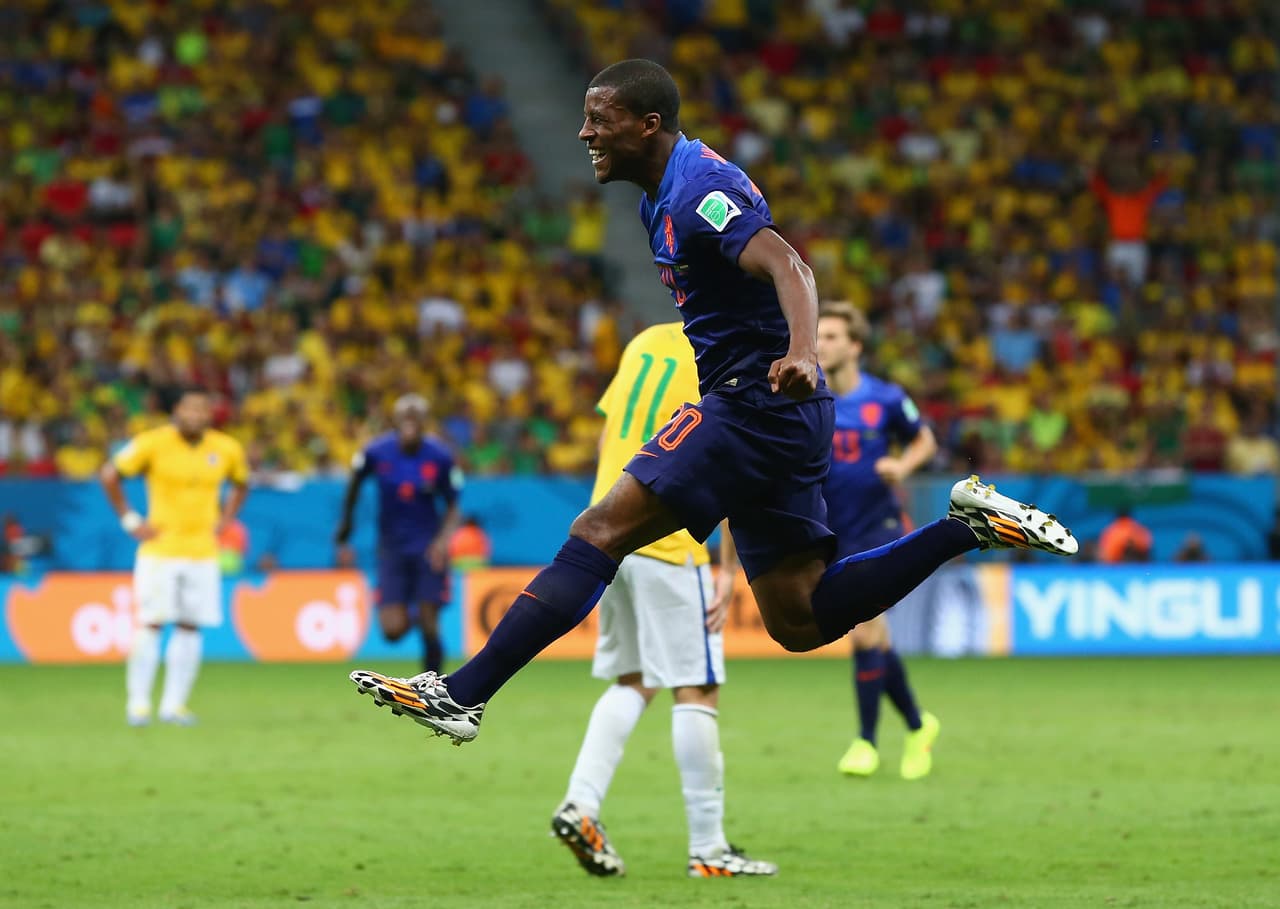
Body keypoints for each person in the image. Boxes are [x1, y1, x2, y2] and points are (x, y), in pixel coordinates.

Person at [349, 59, 1076, 752]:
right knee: (799, 617)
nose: (584, 134)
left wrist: (802, 350)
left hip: (753, 402)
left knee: (599, 528)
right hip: (778, 415)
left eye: (599, 119)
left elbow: (789, 263)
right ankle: (964, 527)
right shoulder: (654, 202)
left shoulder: (699, 189)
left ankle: (465, 693)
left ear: (647, 122)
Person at [550, 322, 775, 879]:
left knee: (634, 679)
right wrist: (725, 565)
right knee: (696, 687)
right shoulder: (728, 350)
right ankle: (709, 850)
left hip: (608, 531)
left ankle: (580, 804)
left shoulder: (647, 340)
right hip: (669, 540)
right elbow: (719, 457)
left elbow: (609, 440)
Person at [816, 302, 941, 780]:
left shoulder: (886, 399)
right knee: (875, 636)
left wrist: (902, 467)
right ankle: (917, 723)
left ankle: (865, 743)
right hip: (832, 528)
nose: (822, 344)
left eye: (831, 336)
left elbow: (924, 439)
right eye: (819, 336)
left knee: (865, 629)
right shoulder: (811, 396)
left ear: (855, 346)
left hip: (879, 525)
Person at [101, 388, 249, 726]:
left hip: (202, 551)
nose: (195, 416)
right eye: (189, 409)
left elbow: (242, 482)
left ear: (210, 415)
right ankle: (138, 704)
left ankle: (174, 706)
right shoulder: (152, 443)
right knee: (151, 623)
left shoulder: (226, 448)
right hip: (160, 550)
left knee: (190, 627)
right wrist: (129, 519)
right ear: (176, 411)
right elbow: (110, 474)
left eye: (202, 410)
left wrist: (227, 518)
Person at [335, 394, 462, 674]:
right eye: (406, 416)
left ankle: (433, 686)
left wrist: (442, 542)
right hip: (391, 548)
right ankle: (417, 610)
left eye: (416, 416)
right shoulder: (376, 451)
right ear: (396, 420)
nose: (411, 422)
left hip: (427, 546)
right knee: (392, 631)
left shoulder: (440, 456)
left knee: (431, 625)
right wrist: (346, 523)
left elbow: (454, 505)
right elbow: (355, 481)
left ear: (424, 421)